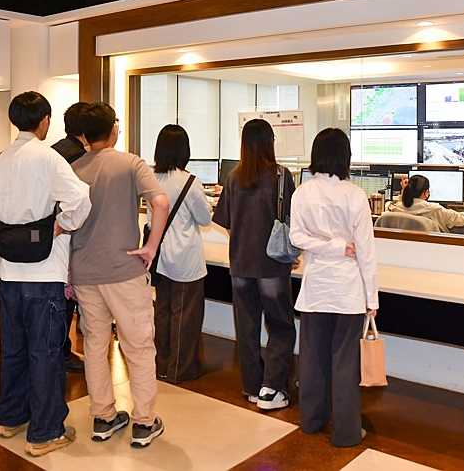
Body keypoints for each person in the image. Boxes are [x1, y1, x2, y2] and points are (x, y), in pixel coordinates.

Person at [0, 92, 92, 457]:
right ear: (44, 120)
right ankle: (45, 433)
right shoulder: (48, 157)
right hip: (44, 271)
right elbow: (81, 200)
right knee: (46, 353)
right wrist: (60, 226)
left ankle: (10, 418)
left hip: (8, 271)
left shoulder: (1, 159)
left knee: (13, 351)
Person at [70, 102, 170, 447]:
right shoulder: (131, 163)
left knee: (95, 346)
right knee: (138, 347)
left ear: (84, 135)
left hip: (84, 270)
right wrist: (151, 246)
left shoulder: (74, 169)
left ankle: (103, 417)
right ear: (113, 129)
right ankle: (144, 422)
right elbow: (160, 202)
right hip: (123, 270)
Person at [288, 128, 379, 447]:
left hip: (315, 290)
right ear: (345, 157)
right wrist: (372, 297)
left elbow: (296, 237)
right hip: (348, 291)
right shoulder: (354, 195)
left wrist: (328, 246)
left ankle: (311, 422)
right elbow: (366, 252)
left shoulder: (302, 193)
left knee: (312, 361)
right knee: (344, 365)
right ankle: (346, 433)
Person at [213, 118, 296, 410]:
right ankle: (272, 388)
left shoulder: (234, 177)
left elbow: (227, 223)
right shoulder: (281, 176)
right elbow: (292, 221)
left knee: (246, 328)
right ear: (270, 142)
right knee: (281, 326)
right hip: (272, 265)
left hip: (240, 264)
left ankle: (251, 387)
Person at [149, 124, 213, 383]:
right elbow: (205, 218)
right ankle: (181, 369)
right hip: (185, 258)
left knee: (163, 313)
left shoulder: (151, 178)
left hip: (160, 256)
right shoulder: (189, 182)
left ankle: (162, 366)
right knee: (185, 315)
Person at [51, 101, 90, 374]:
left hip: (48, 236)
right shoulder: (80, 158)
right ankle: (62, 353)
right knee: (66, 299)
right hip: (67, 235)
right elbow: (78, 202)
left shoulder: (53, 151)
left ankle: (57, 349)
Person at [387, 174, 464, 232]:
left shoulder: (396, 209)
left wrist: (403, 194)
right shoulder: (435, 210)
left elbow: (404, 204)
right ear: (426, 192)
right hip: (431, 252)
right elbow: (459, 219)